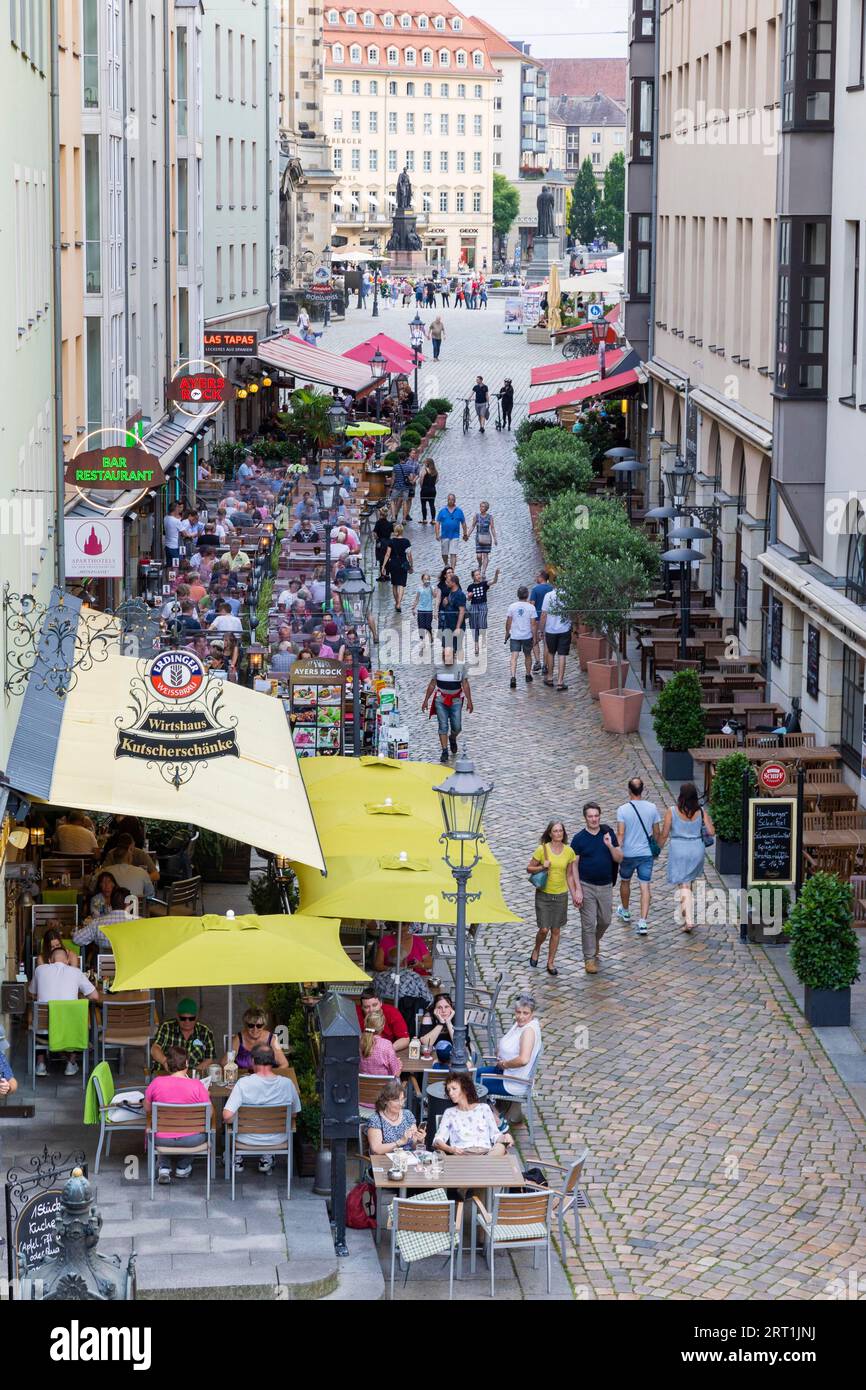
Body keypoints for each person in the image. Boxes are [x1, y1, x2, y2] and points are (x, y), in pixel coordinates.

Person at [222, 1044, 302, 1175]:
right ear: (273, 1061)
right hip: (278, 1138)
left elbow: (227, 1116)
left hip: (245, 1139)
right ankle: (268, 1156)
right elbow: (294, 1114)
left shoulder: (243, 1084)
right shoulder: (287, 1084)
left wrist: (236, 1117)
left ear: (252, 1061)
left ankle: (234, 1157)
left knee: (228, 1121)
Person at [145, 1045, 213, 1185]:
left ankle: (164, 1168)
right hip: (192, 1139)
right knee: (203, 1130)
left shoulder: (156, 1082)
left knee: (160, 1127)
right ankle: (183, 1166)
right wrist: (208, 1097)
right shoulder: (197, 1086)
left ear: (167, 1064)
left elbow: (147, 1108)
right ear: (186, 1063)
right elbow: (209, 1113)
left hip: (161, 1139)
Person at [568, 803, 623, 974]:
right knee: (588, 924)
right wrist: (577, 889)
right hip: (586, 886)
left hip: (606, 885)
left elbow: (619, 858)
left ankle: (595, 941)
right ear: (585, 818)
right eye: (590, 816)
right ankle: (589, 959)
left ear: (600, 816)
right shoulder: (579, 839)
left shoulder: (608, 834)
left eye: (596, 815)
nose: (594, 819)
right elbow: (573, 866)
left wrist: (609, 845)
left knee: (605, 920)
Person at [29, 946, 100, 1076]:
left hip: (43, 1032)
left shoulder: (39, 970)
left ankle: (40, 1064)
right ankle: (71, 1063)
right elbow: (95, 996)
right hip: (71, 1033)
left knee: (37, 1017)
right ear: (67, 960)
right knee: (78, 1016)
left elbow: (32, 994)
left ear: (50, 960)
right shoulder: (76, 972)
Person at [659, 782, 715, 934]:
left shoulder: (672, 811)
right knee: (687, 883)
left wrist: (657, 849)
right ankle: (687, 917)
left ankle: (689, 920)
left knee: (684, 885)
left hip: (679, 848)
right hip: (696, 849)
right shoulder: (701, 812)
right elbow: (711, 831)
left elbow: (664, 834)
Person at [475, 995, 542, 1112]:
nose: (521, 1017)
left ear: (532, 1014)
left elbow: (523, 1060)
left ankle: (497, 1121)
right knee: (470, 1075)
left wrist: (504, 1064)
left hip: (513, 1081)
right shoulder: (520, 1024)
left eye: (525, 1013)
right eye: (518, 1012)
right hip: (504, 1072)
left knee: (470, 1085)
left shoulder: (528, 1031)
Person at [526, 821, 575, 976]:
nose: (558, 833)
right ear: (550, 833)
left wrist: (575, 893)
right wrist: (542, 867)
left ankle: (550, 962)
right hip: (544, 895)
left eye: (561, 831)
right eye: (555, 831)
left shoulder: (569, 852)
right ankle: (537, 948)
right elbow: (529, 868)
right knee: (544, 929)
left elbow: (569, 875)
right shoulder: (542, 849)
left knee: (556, 930)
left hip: (561, 895)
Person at [615, 777, 663, 938]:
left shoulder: (622, 810)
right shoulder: (652, 808)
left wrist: (617, 849)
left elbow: (620, 834)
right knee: (645, 886)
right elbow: (657, 831)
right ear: (642, 790)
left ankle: (626, 911)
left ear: (629, 791)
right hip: (645, 854)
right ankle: (643, 921)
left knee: (625, 881)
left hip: (628, 854)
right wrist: (655, 846)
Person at [432, 1073, 515, 1156]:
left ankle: (484, 1164)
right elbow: (437, 1141)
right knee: (439, 1153)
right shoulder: (449, 1113)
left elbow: (495, 1135)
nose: (450, 1093)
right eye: (449, 1090)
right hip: (463, 1155)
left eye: (454, 1089)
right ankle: (485, 1166)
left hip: (486, 1154)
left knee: (501, 1147)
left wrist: (505, 1137)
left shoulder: (484, 1108)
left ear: (465, 1089)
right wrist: (450, 1149)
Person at [422, 643, 473, 763]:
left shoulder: (460, 666)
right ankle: (444, 751)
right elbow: (432, 684)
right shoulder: (438, 667)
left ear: (454, 656)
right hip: (441, 700)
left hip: (456, 700)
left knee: (457, 726)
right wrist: (426, 700)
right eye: (445, 656)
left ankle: (453, 737)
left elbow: (465, 684)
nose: (447, 659)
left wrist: (469, 701)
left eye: (449, 656)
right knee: (443, 725)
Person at [151, 999, 215, 1073]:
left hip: (193, 1076)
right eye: (183, 1018)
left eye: (191, 1018)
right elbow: (155, 1049)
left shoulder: (205, 1032)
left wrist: (191, 1073)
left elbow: (209, 1059)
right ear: (177, 1017)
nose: (187, 1022)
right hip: (166, 1073)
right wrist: (165, 1062)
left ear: (197, 1017)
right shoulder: (167, 1027)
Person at [224, 1007, 291, 1076]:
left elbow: (284, 1064)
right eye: (251, 1025)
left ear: (264, 1025)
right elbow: (224, 1063)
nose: (255, 1029)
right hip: (243, 1079)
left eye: (259, 1026)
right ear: (245, 1025)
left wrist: (270, 1077)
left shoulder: (272, 1039)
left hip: (265, 1080)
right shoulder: (238, 1039)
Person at [365, 1081, 426, 1156]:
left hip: (407, 1160)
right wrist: (400, 1142)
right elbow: (376, 1150)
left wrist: (419, 1140)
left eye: (402, 1099)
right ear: (385, 1101)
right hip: (384, 1162)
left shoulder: (407, 1115)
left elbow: (413, 1146)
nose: (401, 1104)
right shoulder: (376, 1119)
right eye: (396, 1100)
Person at [73, 886, 133, 957]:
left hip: (103, 967)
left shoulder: (97, 923)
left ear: (110, 903)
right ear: (128, 904)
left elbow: (77, 939)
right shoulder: (139, 922)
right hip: (132, 966)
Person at [101, 835, 155, 903]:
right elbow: (150, 896)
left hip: (111, 911)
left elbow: (93, 887)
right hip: (136, 911)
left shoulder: (105, 872)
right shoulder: (142, 872)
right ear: (130, 849)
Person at [356, 987, 410, 1053]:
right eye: (366, 1007)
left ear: (381, 1003)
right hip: (364, 1054)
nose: (371, 1010)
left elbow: (405, 1039)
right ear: (361, 1007)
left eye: (374, 1005)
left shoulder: (391, 1012)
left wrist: (386, 1050)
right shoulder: (355, 1013)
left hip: (388, 1052)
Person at [540, 586, 573, 691]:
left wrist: (541, 629)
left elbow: (544, 614)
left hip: (550, 629)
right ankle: (560, 681)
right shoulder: (567, 595)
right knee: (562, 654)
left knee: (551, 652)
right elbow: (572, 612)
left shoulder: (548, 596)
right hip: (564, 628)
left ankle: (550, 678)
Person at [505, 584, 537, 688]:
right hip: (527, 636)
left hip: (515, 636)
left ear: (518, 595)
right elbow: (533, 624)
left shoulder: (512, 606)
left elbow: (508, 622)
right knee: (527, 655)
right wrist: (535, 637)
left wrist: (507, 633)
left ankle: (513, 677)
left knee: (514, 656)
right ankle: (528, 675)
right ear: (527, 595)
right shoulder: (531, 607)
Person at [359, 1007, 403, 1078]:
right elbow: (396, 1074)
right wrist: (398, 1065)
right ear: (382, 1026)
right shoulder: (386, 1045)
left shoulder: (359, 1042)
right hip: (384, 1088)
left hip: (363, 1088)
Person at [466, 566, 500, 658]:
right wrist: (469, 596)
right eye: (476, 575)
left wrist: (496, 574)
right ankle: (476, 646)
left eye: (479, 574)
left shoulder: (484, 584)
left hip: (482, 605)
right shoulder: (470, 587)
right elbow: (468, 599)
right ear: (473, 577)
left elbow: (494, 582)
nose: (479, 576)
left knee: (481, 625)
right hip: (474, 606)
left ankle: (483, 638)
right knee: (474, 626)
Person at [419, 993, 456, 1066]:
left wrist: (448, 1022)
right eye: (439, 1007)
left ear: (451, 1008)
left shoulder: (459, 1016)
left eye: (446, 1007)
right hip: (432, 1057)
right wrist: (441, 1023)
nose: (443, 1010)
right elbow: (426, 1043)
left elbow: (460, 1043)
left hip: (454, 1056)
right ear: (435, 1009)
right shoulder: (429, 1016)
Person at [382, 523, 413, 612]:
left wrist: (383, 565)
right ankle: (399, 603)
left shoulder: (391, 541)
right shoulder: (406, 541)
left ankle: (397, 602)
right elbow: (409, 555)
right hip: (403, 563)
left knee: (394, 584)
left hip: (393, 564)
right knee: (402, 584)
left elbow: (387, 554)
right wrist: (411, 565)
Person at [529, 570, 554, 672]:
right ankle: (545, 665)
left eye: (537, 576)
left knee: (535, 640)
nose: (535, 578)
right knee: (546, 643)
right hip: (548, 618)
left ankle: (537, 661)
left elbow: (532, 604)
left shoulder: (535, 589)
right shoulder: (551, 588)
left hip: (537, 619)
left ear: (541, 577)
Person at [435, 493, 467, 570]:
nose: (451, 501)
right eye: (449, 499)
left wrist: (465, 533)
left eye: (452, 499)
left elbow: (463, 522)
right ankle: (446, 564)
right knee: (444, 553)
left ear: (454, 500)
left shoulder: (459, 511)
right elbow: (438, 522)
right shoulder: (442, 511)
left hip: (455, 535)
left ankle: (452, 569)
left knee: (453, 553)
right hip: (444, 535)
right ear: (447, 500)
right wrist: (437, 533)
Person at [466, 500, 497, 576]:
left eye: (483, 507)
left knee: (485, 555)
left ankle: (483, 572)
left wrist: (495, 538)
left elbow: (492, 528)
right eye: (480, 506)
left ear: (486, 508)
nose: (481, 508)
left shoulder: (490, 517)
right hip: (478, 538)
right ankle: (480, 564)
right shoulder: (476, 516)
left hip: (487, 538)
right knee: (478, 556)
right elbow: (472, 526)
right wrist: (467, 535)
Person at [389, 455, 418, 525]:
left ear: (399, 459)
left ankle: (393, 517)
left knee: (392, 501)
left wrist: (391, 487)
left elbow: (393, 478)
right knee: (405, 502)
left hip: (397, 487)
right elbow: (411, 478)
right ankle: (404, 519)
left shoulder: (395, 467)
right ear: (406, 459)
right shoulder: (409, 467)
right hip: (405, 488)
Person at [411, 572, 434, 650]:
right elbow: (417, 599)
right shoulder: (419, 588)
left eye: (428, 579)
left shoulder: (432, 587)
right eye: (425, 579)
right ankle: (422, 640)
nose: (426, 580)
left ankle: (431, 636)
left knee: (427, 626)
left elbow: (434, 596)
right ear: (422, 580)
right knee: (421, 626)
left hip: (429, 610)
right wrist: (413, 608)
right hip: (420, 610)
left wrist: (431, 587)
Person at [419, 457, 438, 524]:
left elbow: (421, 479)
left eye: (425, 462)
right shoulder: (435, 471)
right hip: (432, 489)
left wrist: (421, 486)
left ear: (427, 463)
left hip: (425, 489)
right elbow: (436, 480)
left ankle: (424, 519)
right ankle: (433, 519)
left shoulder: (424, 470)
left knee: (423, 504)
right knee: (432, 504)